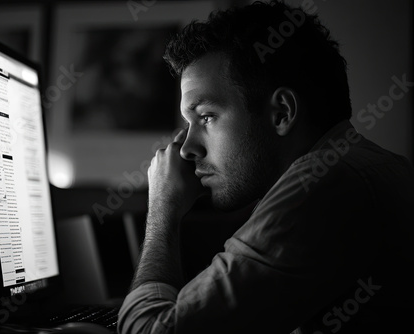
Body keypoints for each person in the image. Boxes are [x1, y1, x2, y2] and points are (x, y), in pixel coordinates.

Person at [117, 1, 414, 333]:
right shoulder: (366, 165)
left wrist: (162, 210)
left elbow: (149, 330)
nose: (186, 148)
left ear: (282, 114)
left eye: (207, 117)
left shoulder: (316, 192)